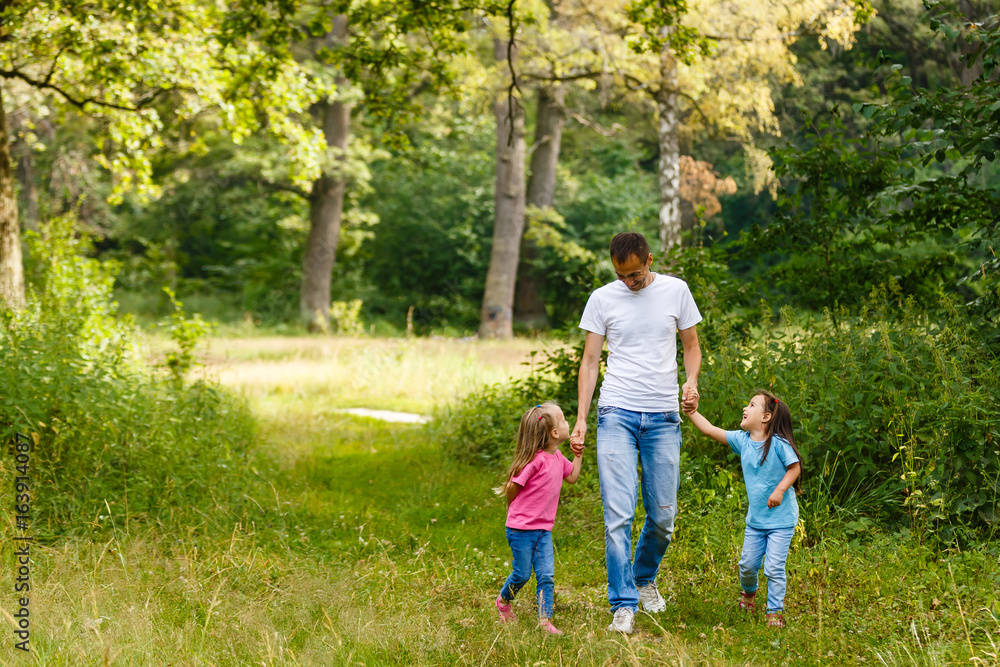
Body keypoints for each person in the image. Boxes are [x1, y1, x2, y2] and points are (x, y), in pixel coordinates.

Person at [569, 231, 703, 634]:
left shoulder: (676, 291)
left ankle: (644, 577)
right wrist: (580, 417)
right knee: (618, 516)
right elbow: (590, 362)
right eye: (622, 275)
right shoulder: (603, 298)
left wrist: (691, 380)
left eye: (636, 274)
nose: (630, 281)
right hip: (616, 413)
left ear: (649, 259)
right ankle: (623, 604)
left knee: (664, 516)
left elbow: (692, 346)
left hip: (663, 416)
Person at [684, 390, 803, 628]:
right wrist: (692, 412)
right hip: (756, 521)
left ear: (766, 417)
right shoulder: (743, 440)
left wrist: (779, 490)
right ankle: (749, 594)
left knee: (773, 568)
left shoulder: (778, 444)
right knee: (747, 565)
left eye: (751, 405)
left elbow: (795, 468)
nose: (744, 408)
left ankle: (774, 613)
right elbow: (709, 430)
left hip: (781, 521)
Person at [495, 402, 583, 635]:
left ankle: (545, 621)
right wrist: (512, 510)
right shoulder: (536, 461)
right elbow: (513, 486)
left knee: (546, 576)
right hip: (520, 529)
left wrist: (578, 456)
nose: (567, 423)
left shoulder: (558, 457)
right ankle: (503, 601)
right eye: (563, 420)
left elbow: (572, 477)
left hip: (543, 530)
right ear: (554, 433)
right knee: (522, 574)